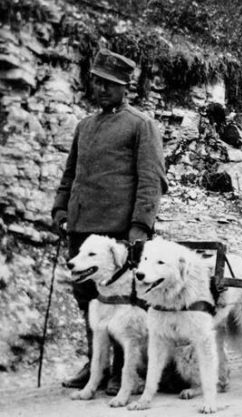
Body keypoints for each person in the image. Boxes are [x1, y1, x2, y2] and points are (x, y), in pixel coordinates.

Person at [52, 49, 167, 393]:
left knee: (123, 302)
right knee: (87, 298)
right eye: (98, 82)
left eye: (110, 84)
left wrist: (140, 226)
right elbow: (71, 174)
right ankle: (96, 366)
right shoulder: (85, 126)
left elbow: (151, 179)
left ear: (125, 87)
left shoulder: (140, 125)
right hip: (81, 229)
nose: (102, 89)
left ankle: (122, 370)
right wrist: (60, 209)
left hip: (118, 233)